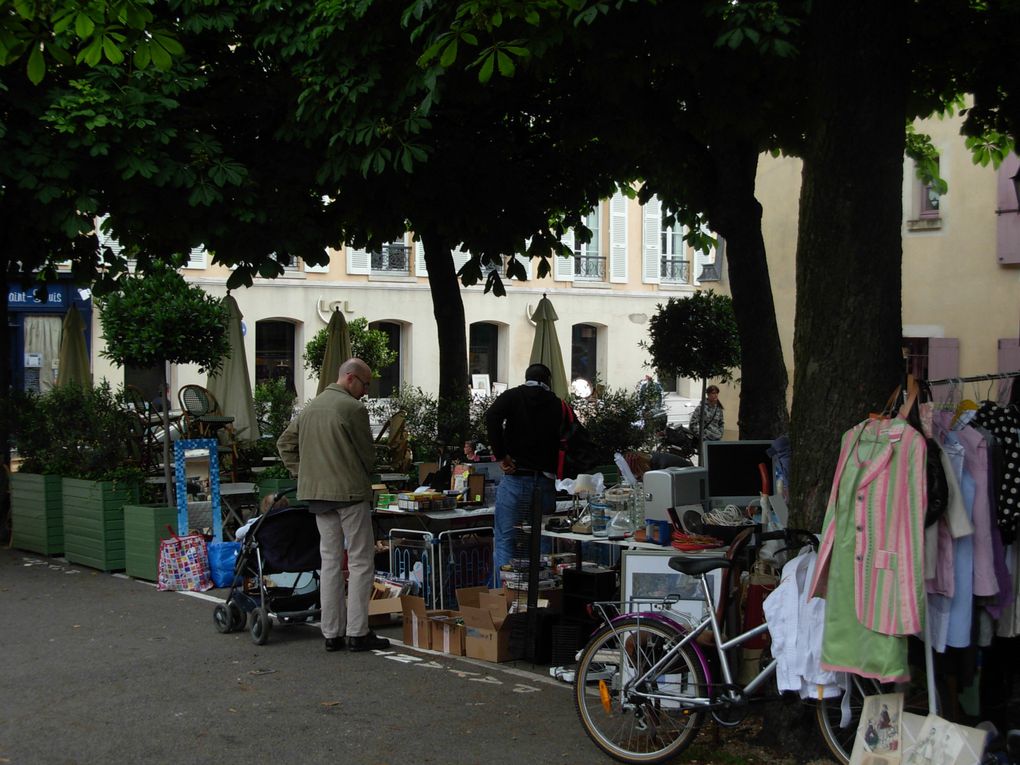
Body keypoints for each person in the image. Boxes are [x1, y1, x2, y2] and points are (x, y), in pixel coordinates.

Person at [276, 357, 390, 653]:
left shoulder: (310, 408)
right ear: (351, 378)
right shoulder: (353, 408)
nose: (366, 391)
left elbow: (284, 443)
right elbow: (367, 454)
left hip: (318, 495)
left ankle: (331, 633)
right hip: (350, 493)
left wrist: (303, 473)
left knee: (329, 562)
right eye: (365, 384)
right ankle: (357, 631)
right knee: (361, 561)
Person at [485, 363, 564, 587]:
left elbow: (491, 417)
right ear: (548, 380)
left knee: (506, 542)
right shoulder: (556, 404)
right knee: (542, 543)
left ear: (526, 377)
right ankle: (542, 598)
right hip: (546, 483)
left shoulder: (513, 396)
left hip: (516, 479)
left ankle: (505, 601)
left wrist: (501, 456)